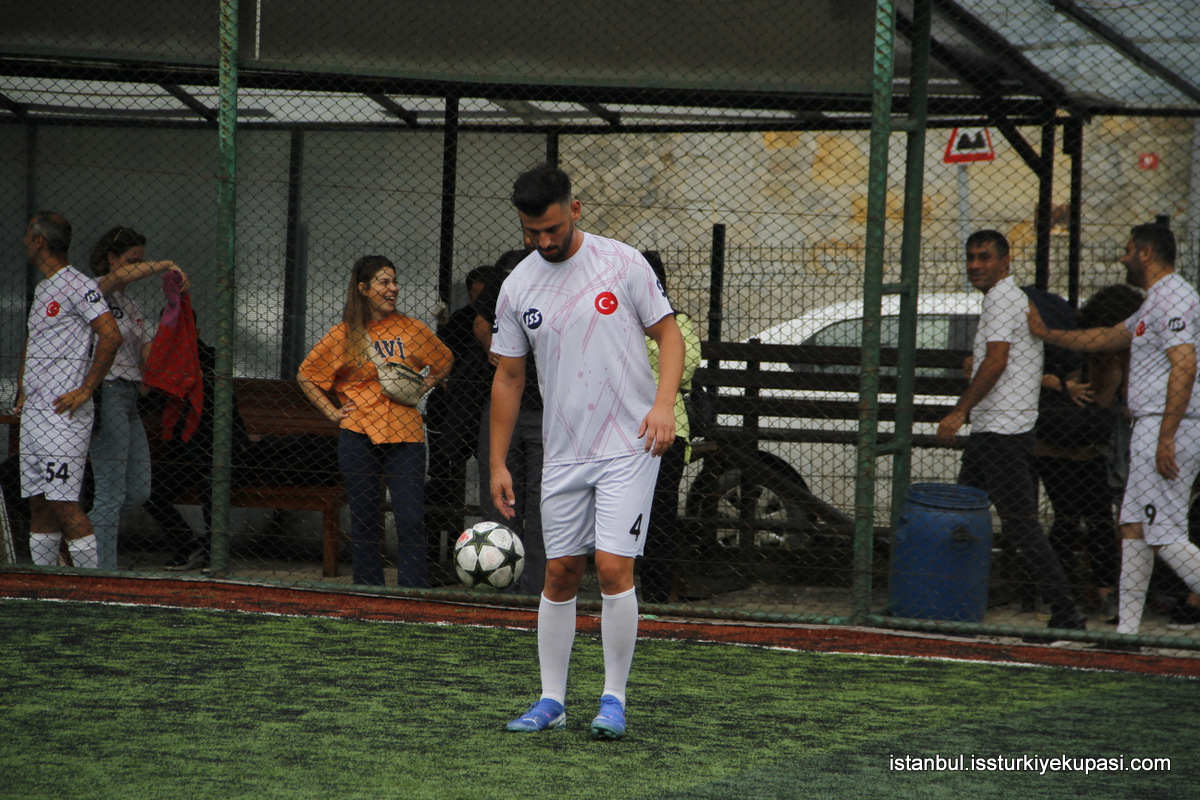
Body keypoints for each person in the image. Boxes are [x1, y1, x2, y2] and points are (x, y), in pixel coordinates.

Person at [492, 164, 684, 740]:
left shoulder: (623, 263)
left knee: (612, 567)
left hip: (629, 444)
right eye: (532, 232)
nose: (543, 241)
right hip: (564, 452)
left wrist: (664, 406)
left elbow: (669, 335)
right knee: (559, 572)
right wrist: (497, 461)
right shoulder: (517, 285)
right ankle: (551, 701)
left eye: (552, 228)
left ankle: (613, 700)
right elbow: (509, 376)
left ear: (574, 210)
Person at [1029, 224, 1200, 645]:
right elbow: (1109, 336)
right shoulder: (1155, 301)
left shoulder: (1174, 298)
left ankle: (1128, 631)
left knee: (1163, 534)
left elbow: (1184, 364)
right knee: (1134, 528)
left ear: (1145, 253)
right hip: (1152, 424)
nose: (1122, 258)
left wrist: (1166, 435)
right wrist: (1047, 333)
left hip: (1167, 424)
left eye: (1127, 250)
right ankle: (1126, 634)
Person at [936, 229, 1086, 638]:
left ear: (1005, 262)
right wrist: (978, 363)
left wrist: (960, 411)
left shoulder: (1002, 298)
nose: (975, 265)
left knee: (1021, 526)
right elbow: (1003, 359)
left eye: (984, 257)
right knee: (963, 513)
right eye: (970, 257)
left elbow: (998, 360)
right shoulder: (1005, 299)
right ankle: (953, 600)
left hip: (1002, 431)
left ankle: (1066, 613)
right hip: (994, 428)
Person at [298, 255, 453, 587]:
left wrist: (421, 387)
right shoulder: (343, 334)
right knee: (364, 520)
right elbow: (306, 375)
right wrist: (332, 413)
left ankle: (413, 592)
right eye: (384, 282)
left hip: (405, 433)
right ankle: (369, 593)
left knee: (411, 518)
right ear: (363, 289)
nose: (392, 288)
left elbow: (445, 360)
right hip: (358, 432)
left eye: (394, 282)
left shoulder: (412, 329)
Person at [17, 212, 122, 569]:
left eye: (28, 235)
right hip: (34, 412)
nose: (24, 241)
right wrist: (23, 387)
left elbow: (111, 336)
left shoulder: (79, 284)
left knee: (64, 502)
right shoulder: (43, 287)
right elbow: (34, 340)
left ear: (39, 241)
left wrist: (85, 389)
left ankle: (92, 587)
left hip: (63, 414)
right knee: (39, 502)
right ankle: (46, 585)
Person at [86, 226, 190, 570]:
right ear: (111, 258)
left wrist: (173, 315)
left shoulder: (131, 305)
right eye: (133, 261)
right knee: (111, 491)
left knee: (138, 490)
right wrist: (167, 264)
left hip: (131, 395)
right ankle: (101, 568)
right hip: (107, 390)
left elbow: (148, 357)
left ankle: (81, 538)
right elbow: (116, 279)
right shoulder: (92, 291)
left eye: (141, 261)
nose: (140, 268)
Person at [473, 248, 547, 596]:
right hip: (506, 408)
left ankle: (536, 594)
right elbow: (481, 321)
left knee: (544, 505)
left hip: (549, 411)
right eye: (531, 228)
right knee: (500, 501)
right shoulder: (511, 267)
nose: (539, 238)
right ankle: (501, 589)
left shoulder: (571, 272)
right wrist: (496, 347)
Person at [638, 251, 702, 605]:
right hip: (621, 430)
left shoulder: (678, 321)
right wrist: (658, 353)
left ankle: (656, 599)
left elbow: (686, 365)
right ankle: (618, 595)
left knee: (659, 516)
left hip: (668, 432)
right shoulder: (615, 318)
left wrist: (646, 350)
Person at [424, 265, 493, 567]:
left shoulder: (504, 321)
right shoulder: (458, 322)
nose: (480, 303)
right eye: (476, 297)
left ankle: (485, 549)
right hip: (452, 410)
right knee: (444, 478)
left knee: (489, 477)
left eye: (485, 297)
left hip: (482, 410)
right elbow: (440, 364)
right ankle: (439, 552)